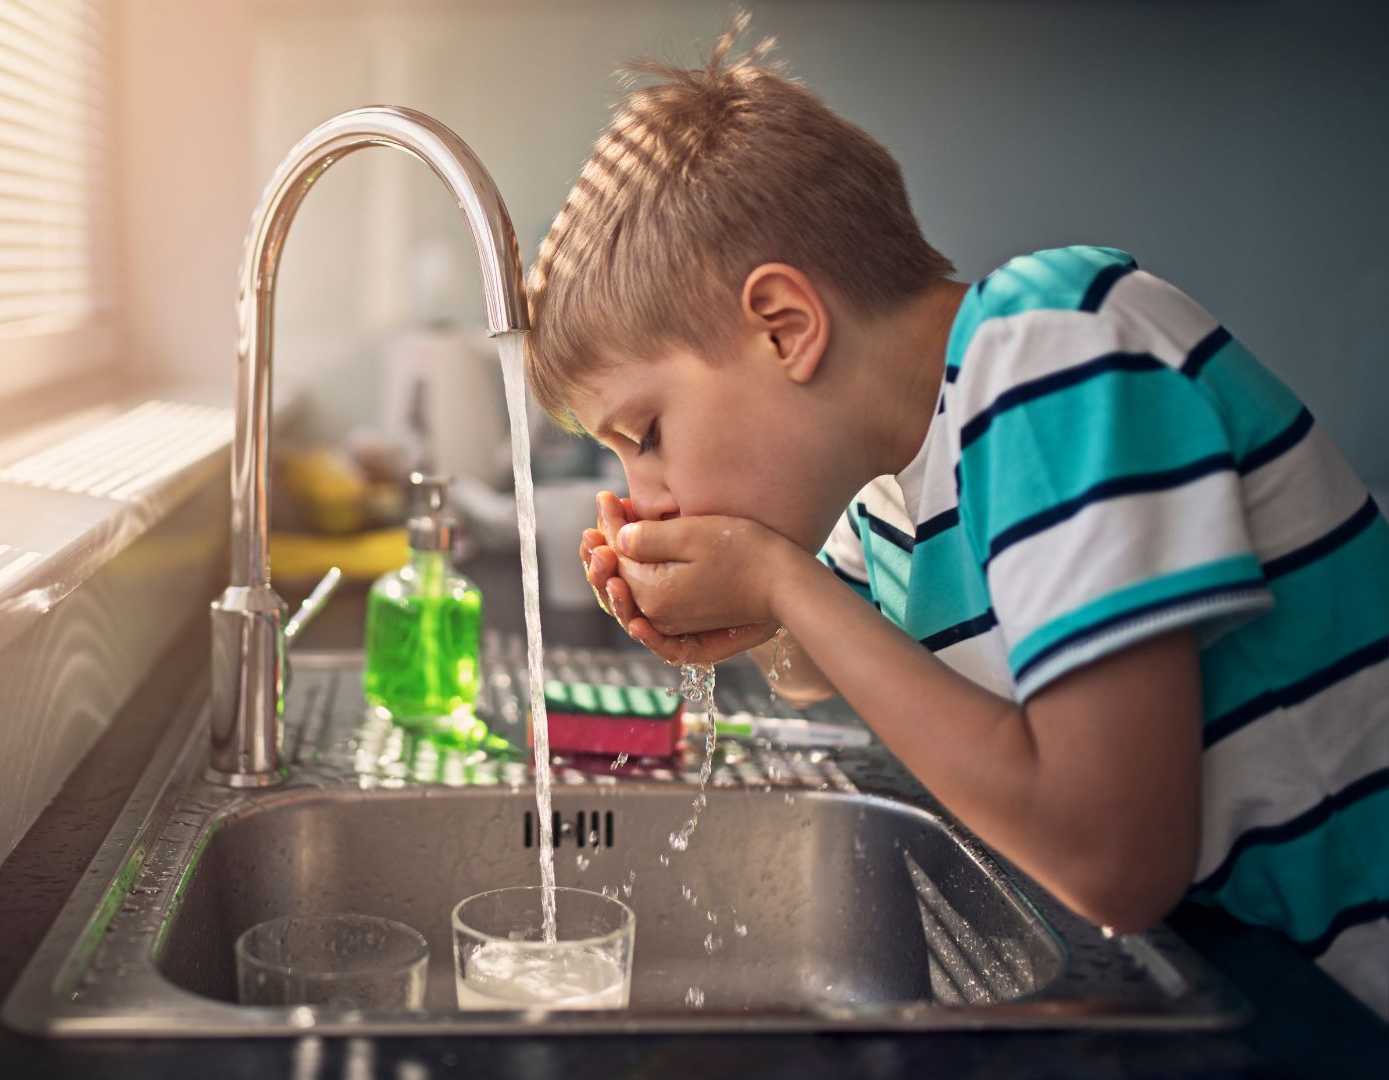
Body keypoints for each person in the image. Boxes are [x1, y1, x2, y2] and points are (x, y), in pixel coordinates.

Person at [529, 12, 1389, 1019]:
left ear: (784, 327)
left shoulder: (1050, 352)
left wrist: (778, 582)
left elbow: (1112, 862)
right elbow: (819, 669)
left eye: (646, 432)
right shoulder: (892, 477)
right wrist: (747, 623)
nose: (645, 493)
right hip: (1284, 972)